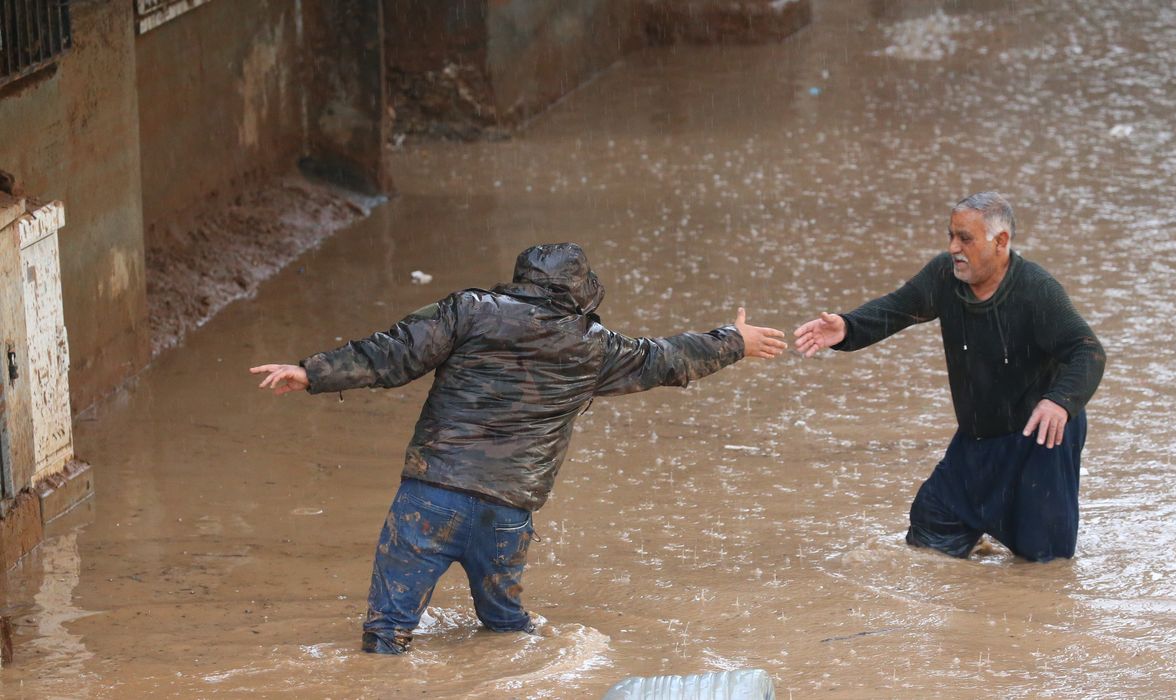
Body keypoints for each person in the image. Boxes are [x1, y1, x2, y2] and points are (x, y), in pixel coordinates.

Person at [251, 242, 787, 653]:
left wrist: (310, 371)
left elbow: (393, 354)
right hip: (508, 510)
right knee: (507, 633)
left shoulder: (470, 311)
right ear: (582, 291)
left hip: (429, 497)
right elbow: (666, 358)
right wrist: (734, 341)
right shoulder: (594, 347)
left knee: (386, 634)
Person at [794, 192, 1105, 562]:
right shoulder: (944, 276)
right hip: (979, 437)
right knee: (931, 529)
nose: (954, 247)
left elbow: (1088, 351)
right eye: (951, 236)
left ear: (1001, 241)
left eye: (965, 238)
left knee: (1044, 566)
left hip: (1039, 438)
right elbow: (897, 308)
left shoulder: (1037, 290)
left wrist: (1060, 402)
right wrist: (847, 326)